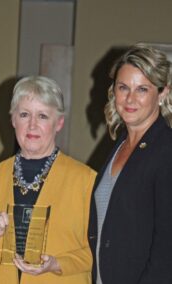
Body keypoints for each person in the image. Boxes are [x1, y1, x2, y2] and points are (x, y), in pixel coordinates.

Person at [0, 76, 96, 284]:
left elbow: (99, 253)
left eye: (43, 116)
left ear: (59, 123)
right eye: (24, 114)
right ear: (13, 120)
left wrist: (56, 263)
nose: (32, 125)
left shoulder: (86, 180)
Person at [88, 43, 172, 284]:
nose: (130, 98)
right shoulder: (119, 146)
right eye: (123, 87)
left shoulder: (166, 150)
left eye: (142, 89)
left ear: (162, 92)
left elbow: (168, 246)